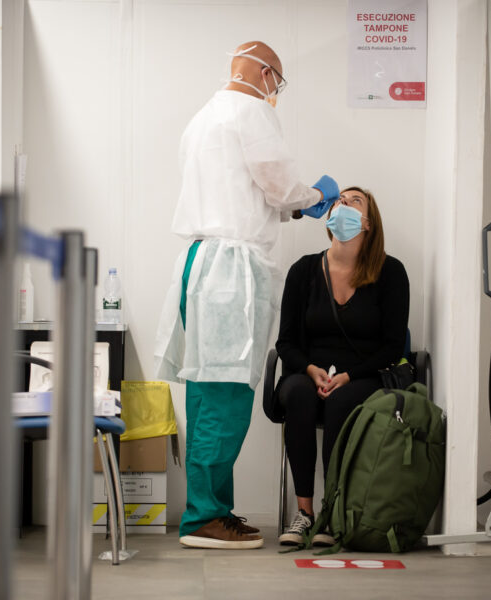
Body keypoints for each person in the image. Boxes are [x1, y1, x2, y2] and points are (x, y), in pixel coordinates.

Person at [154, 41, 340, 550]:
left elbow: (249, 193)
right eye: (275, 81)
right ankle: (204, 519)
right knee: (226, 394)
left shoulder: (203, 119)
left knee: (207, 391)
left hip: (202, 264)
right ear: (263, 73)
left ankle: (211, 509)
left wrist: (296, 206)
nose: (274, 92)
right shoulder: (253, 111)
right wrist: (317, 197)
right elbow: (278, 187)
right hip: (231, 272)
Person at [274, 186, 410, 546]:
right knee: (300, 396)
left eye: (354, 201)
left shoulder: (391, 272)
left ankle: (333, 512)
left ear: (368, 223)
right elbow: (285, 342)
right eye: (339, 201)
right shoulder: (303, 271)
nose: (343, 204)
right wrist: (309, 369)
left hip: (364, 374)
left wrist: (349, 375)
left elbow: (394, 347)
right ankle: (304, 513)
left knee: (341, 401)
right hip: (307, 372)